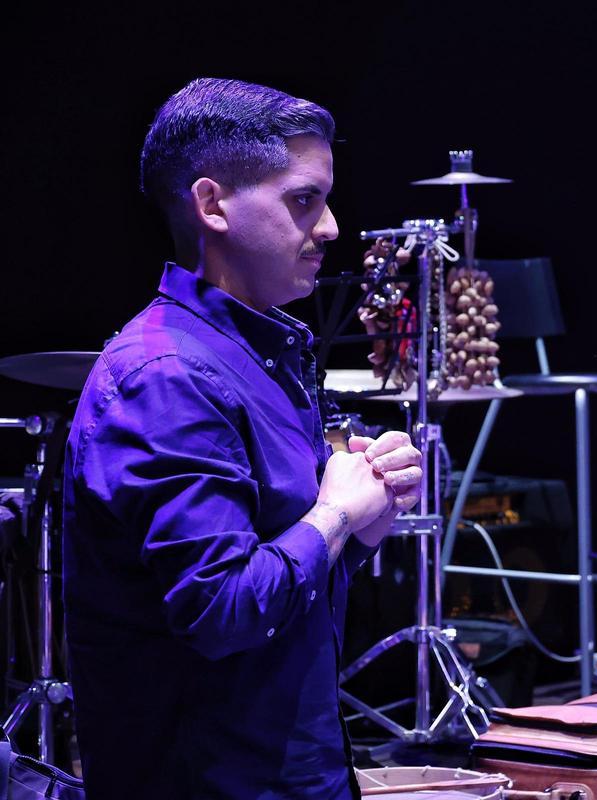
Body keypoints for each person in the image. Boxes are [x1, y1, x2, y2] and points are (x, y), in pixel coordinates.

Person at [63, 78, 423, 799]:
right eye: (302, 200)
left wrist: (364, 520)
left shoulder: (257, 355)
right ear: (212, 204)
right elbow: (224, 610)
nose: (329, 228)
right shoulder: (166, 377)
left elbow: (284, 591)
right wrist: (335, 514)